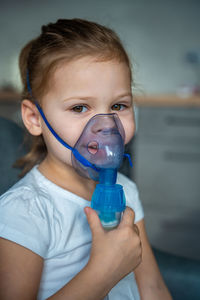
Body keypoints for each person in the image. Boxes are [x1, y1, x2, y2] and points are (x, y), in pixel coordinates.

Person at [0, 19, 172, 300]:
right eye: (79, 107)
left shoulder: (126, 191)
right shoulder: (24, 213)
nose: (106, 126)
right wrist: (103, 271)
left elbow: (152, 287)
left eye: (118, 106)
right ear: (34, 119)